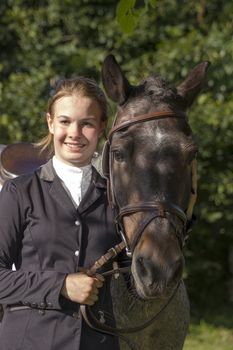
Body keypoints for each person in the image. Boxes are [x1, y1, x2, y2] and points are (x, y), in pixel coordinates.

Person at [0, 77, 121, 350]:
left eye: (87, 123)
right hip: (28, 341)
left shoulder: (118, 197)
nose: (74, 133)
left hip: (98, 342)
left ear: (101, 127)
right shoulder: (19, 192)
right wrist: (61, 286)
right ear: (50, 123)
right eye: (65, 121)